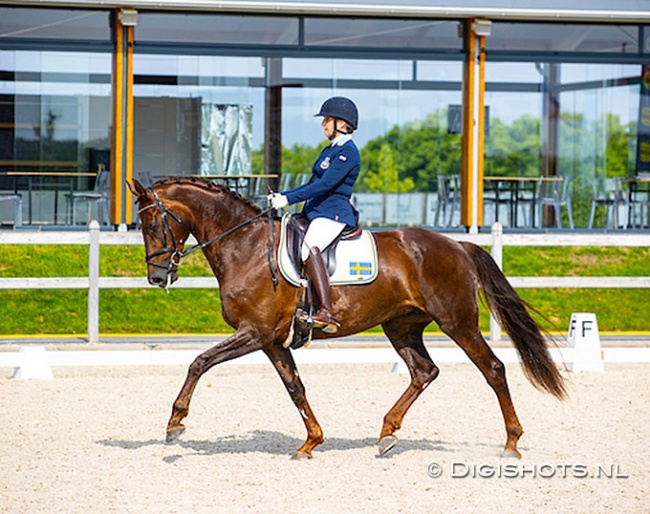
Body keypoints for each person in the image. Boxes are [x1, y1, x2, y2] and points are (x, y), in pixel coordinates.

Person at [268, 96, 361, 334]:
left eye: (327, 120)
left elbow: (324, 186)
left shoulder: (348, 153)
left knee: (309, 248)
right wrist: (285, 196)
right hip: (315, 211)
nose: (323, 124)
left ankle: (327, 312)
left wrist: (287, 198)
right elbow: (312, 183)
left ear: (342, 123)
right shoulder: (329, 150)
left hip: (333, 214)